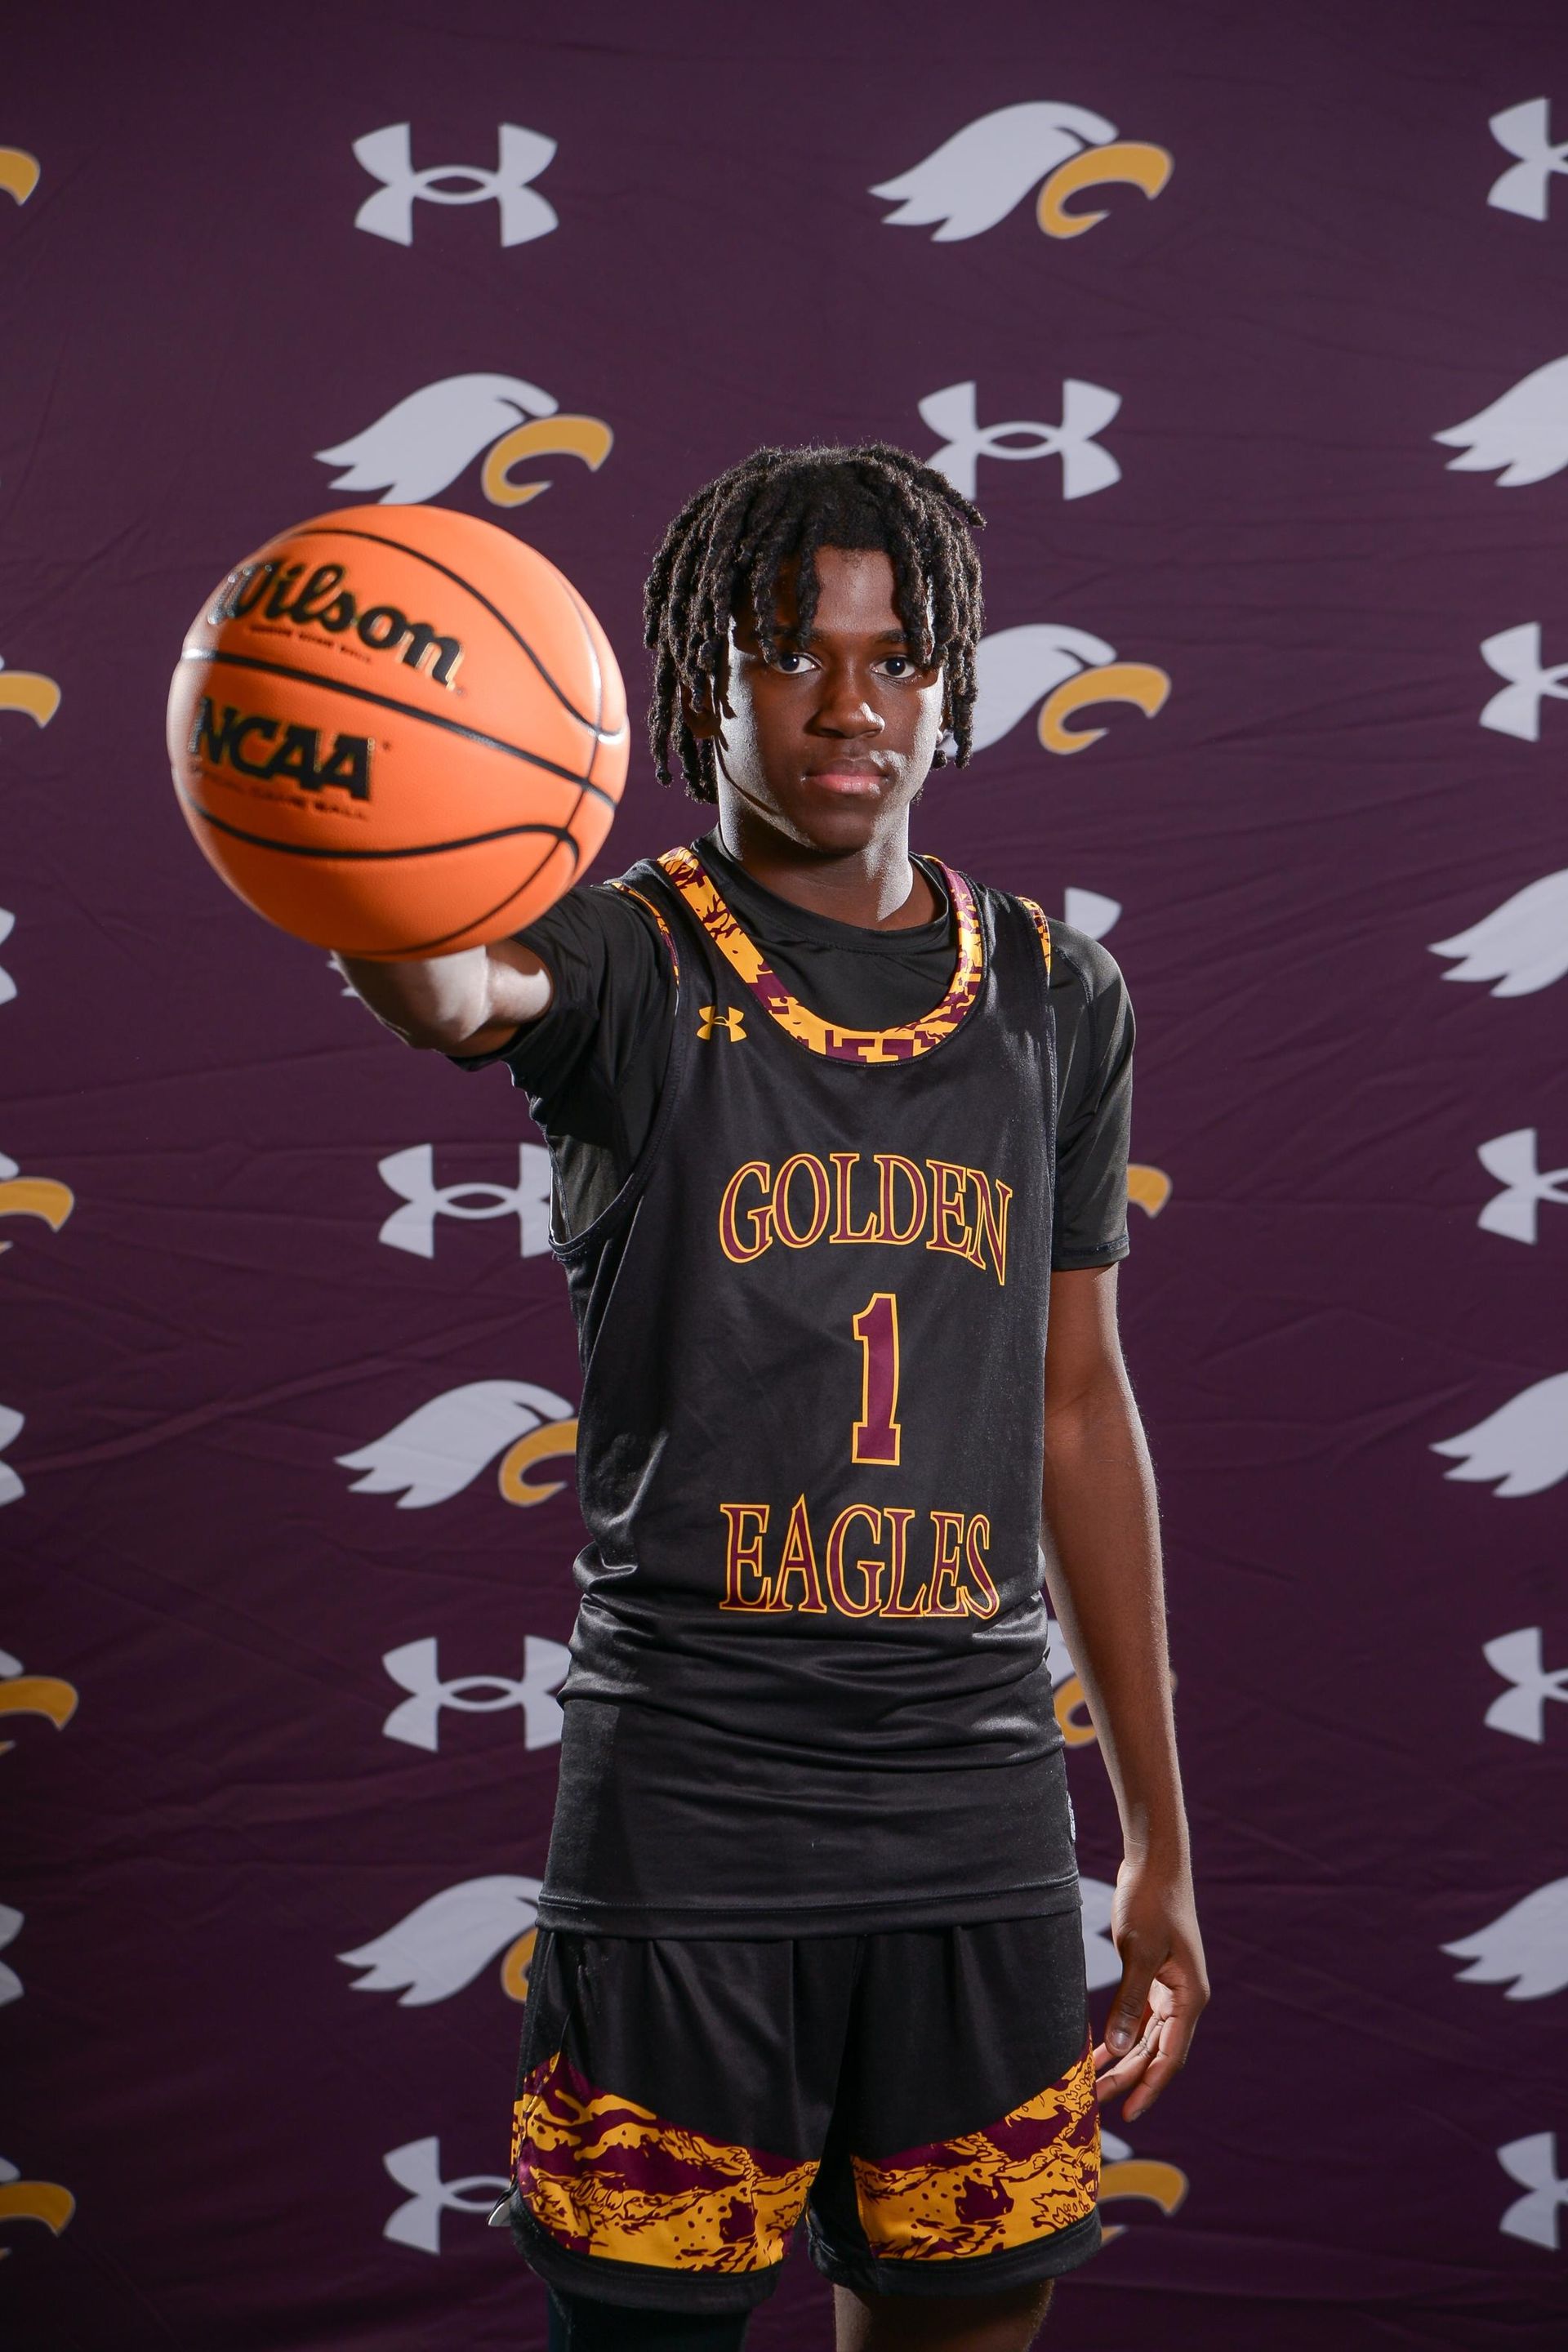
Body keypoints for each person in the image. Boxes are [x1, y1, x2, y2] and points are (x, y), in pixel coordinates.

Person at [336, 443, 1208, 2352]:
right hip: (689, 1820)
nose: (847, 705)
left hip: (977, 1814)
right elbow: (448, 991)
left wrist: (1153, 1833)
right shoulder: (628, 955)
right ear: (700, 681)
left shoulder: (1060, 993)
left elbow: (1076, 1409)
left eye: (897, 660)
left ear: (954, 681)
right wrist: (349, 817)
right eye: (788, 653)